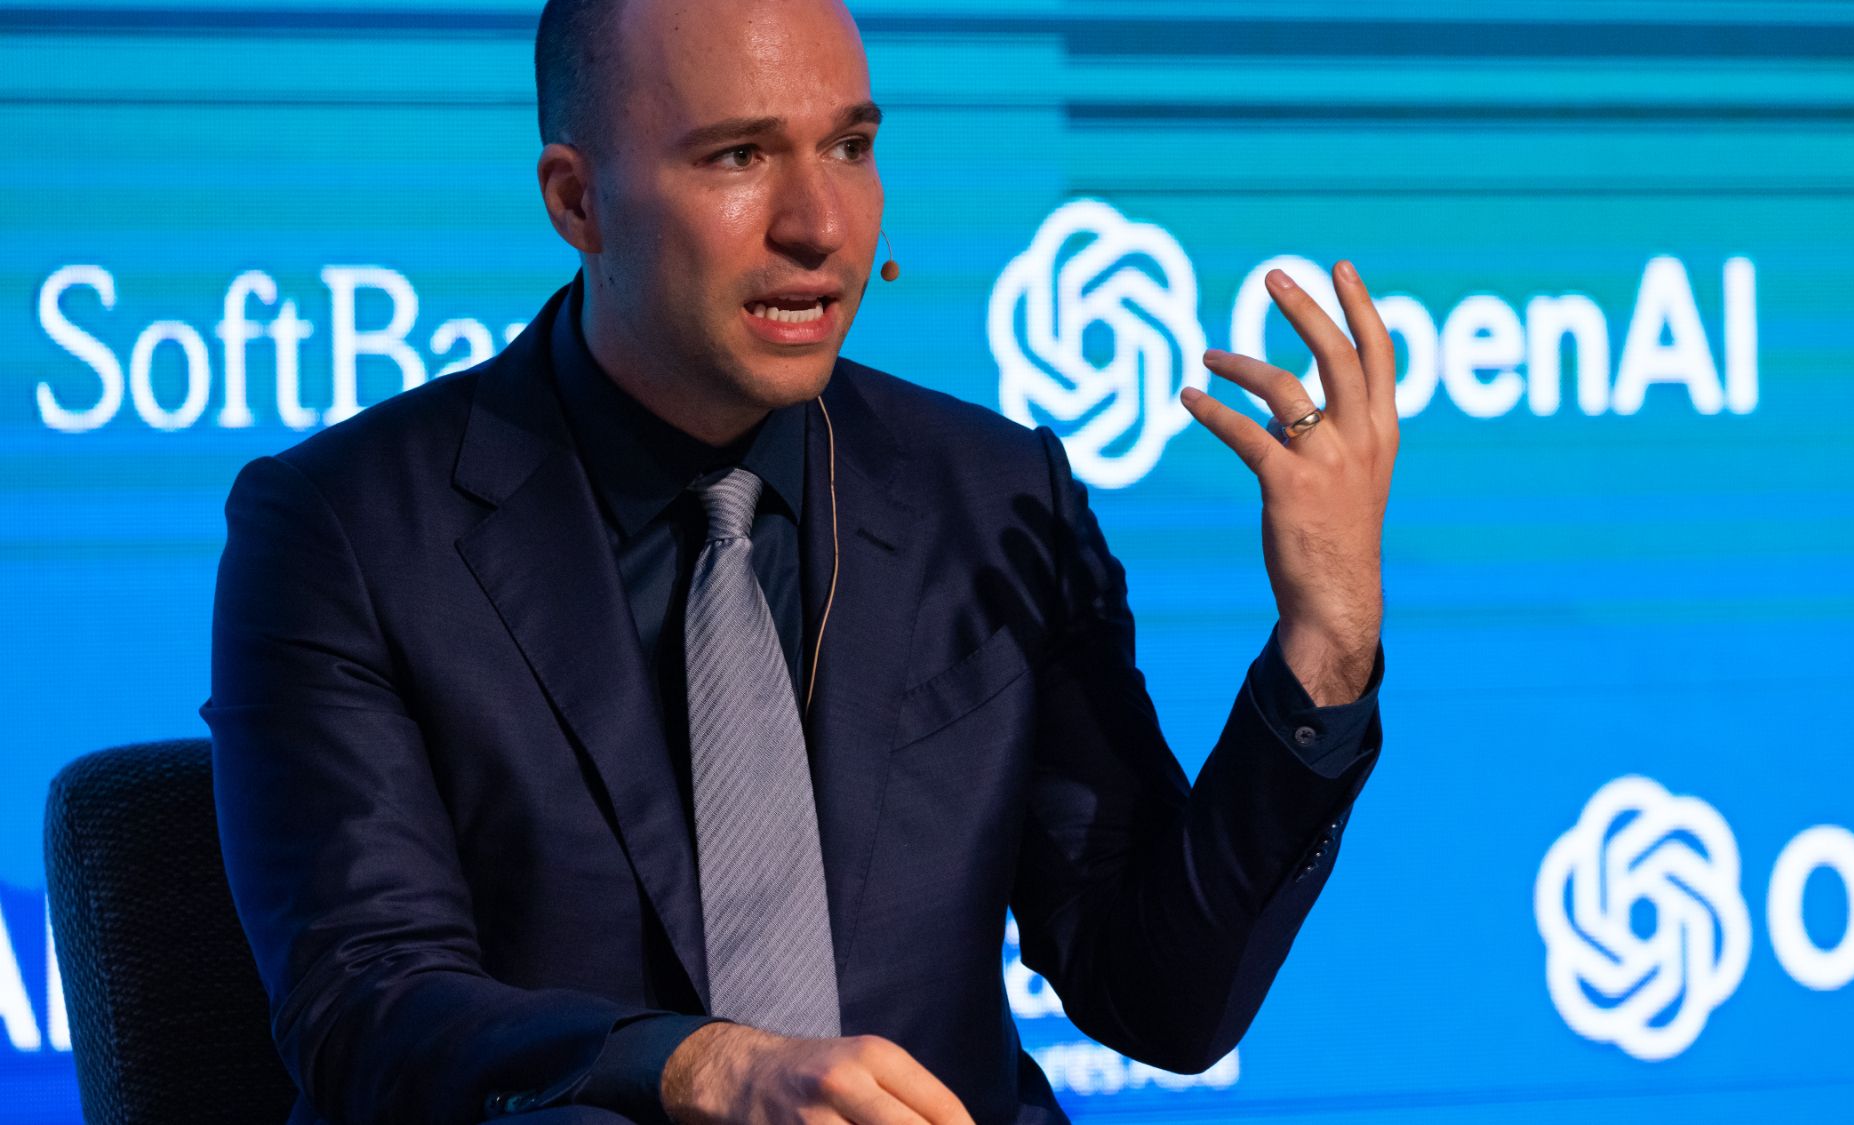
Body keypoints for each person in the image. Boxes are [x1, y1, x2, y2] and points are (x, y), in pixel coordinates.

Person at [201, 0, 1399, 1122]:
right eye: (737, 156)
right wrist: (695, 1067)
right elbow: (364, 1005)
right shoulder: (347, 528)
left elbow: (1159, 998)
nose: (818, 225)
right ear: (577, 201)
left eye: (849, 147)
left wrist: (1326, 645)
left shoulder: (991, 496)